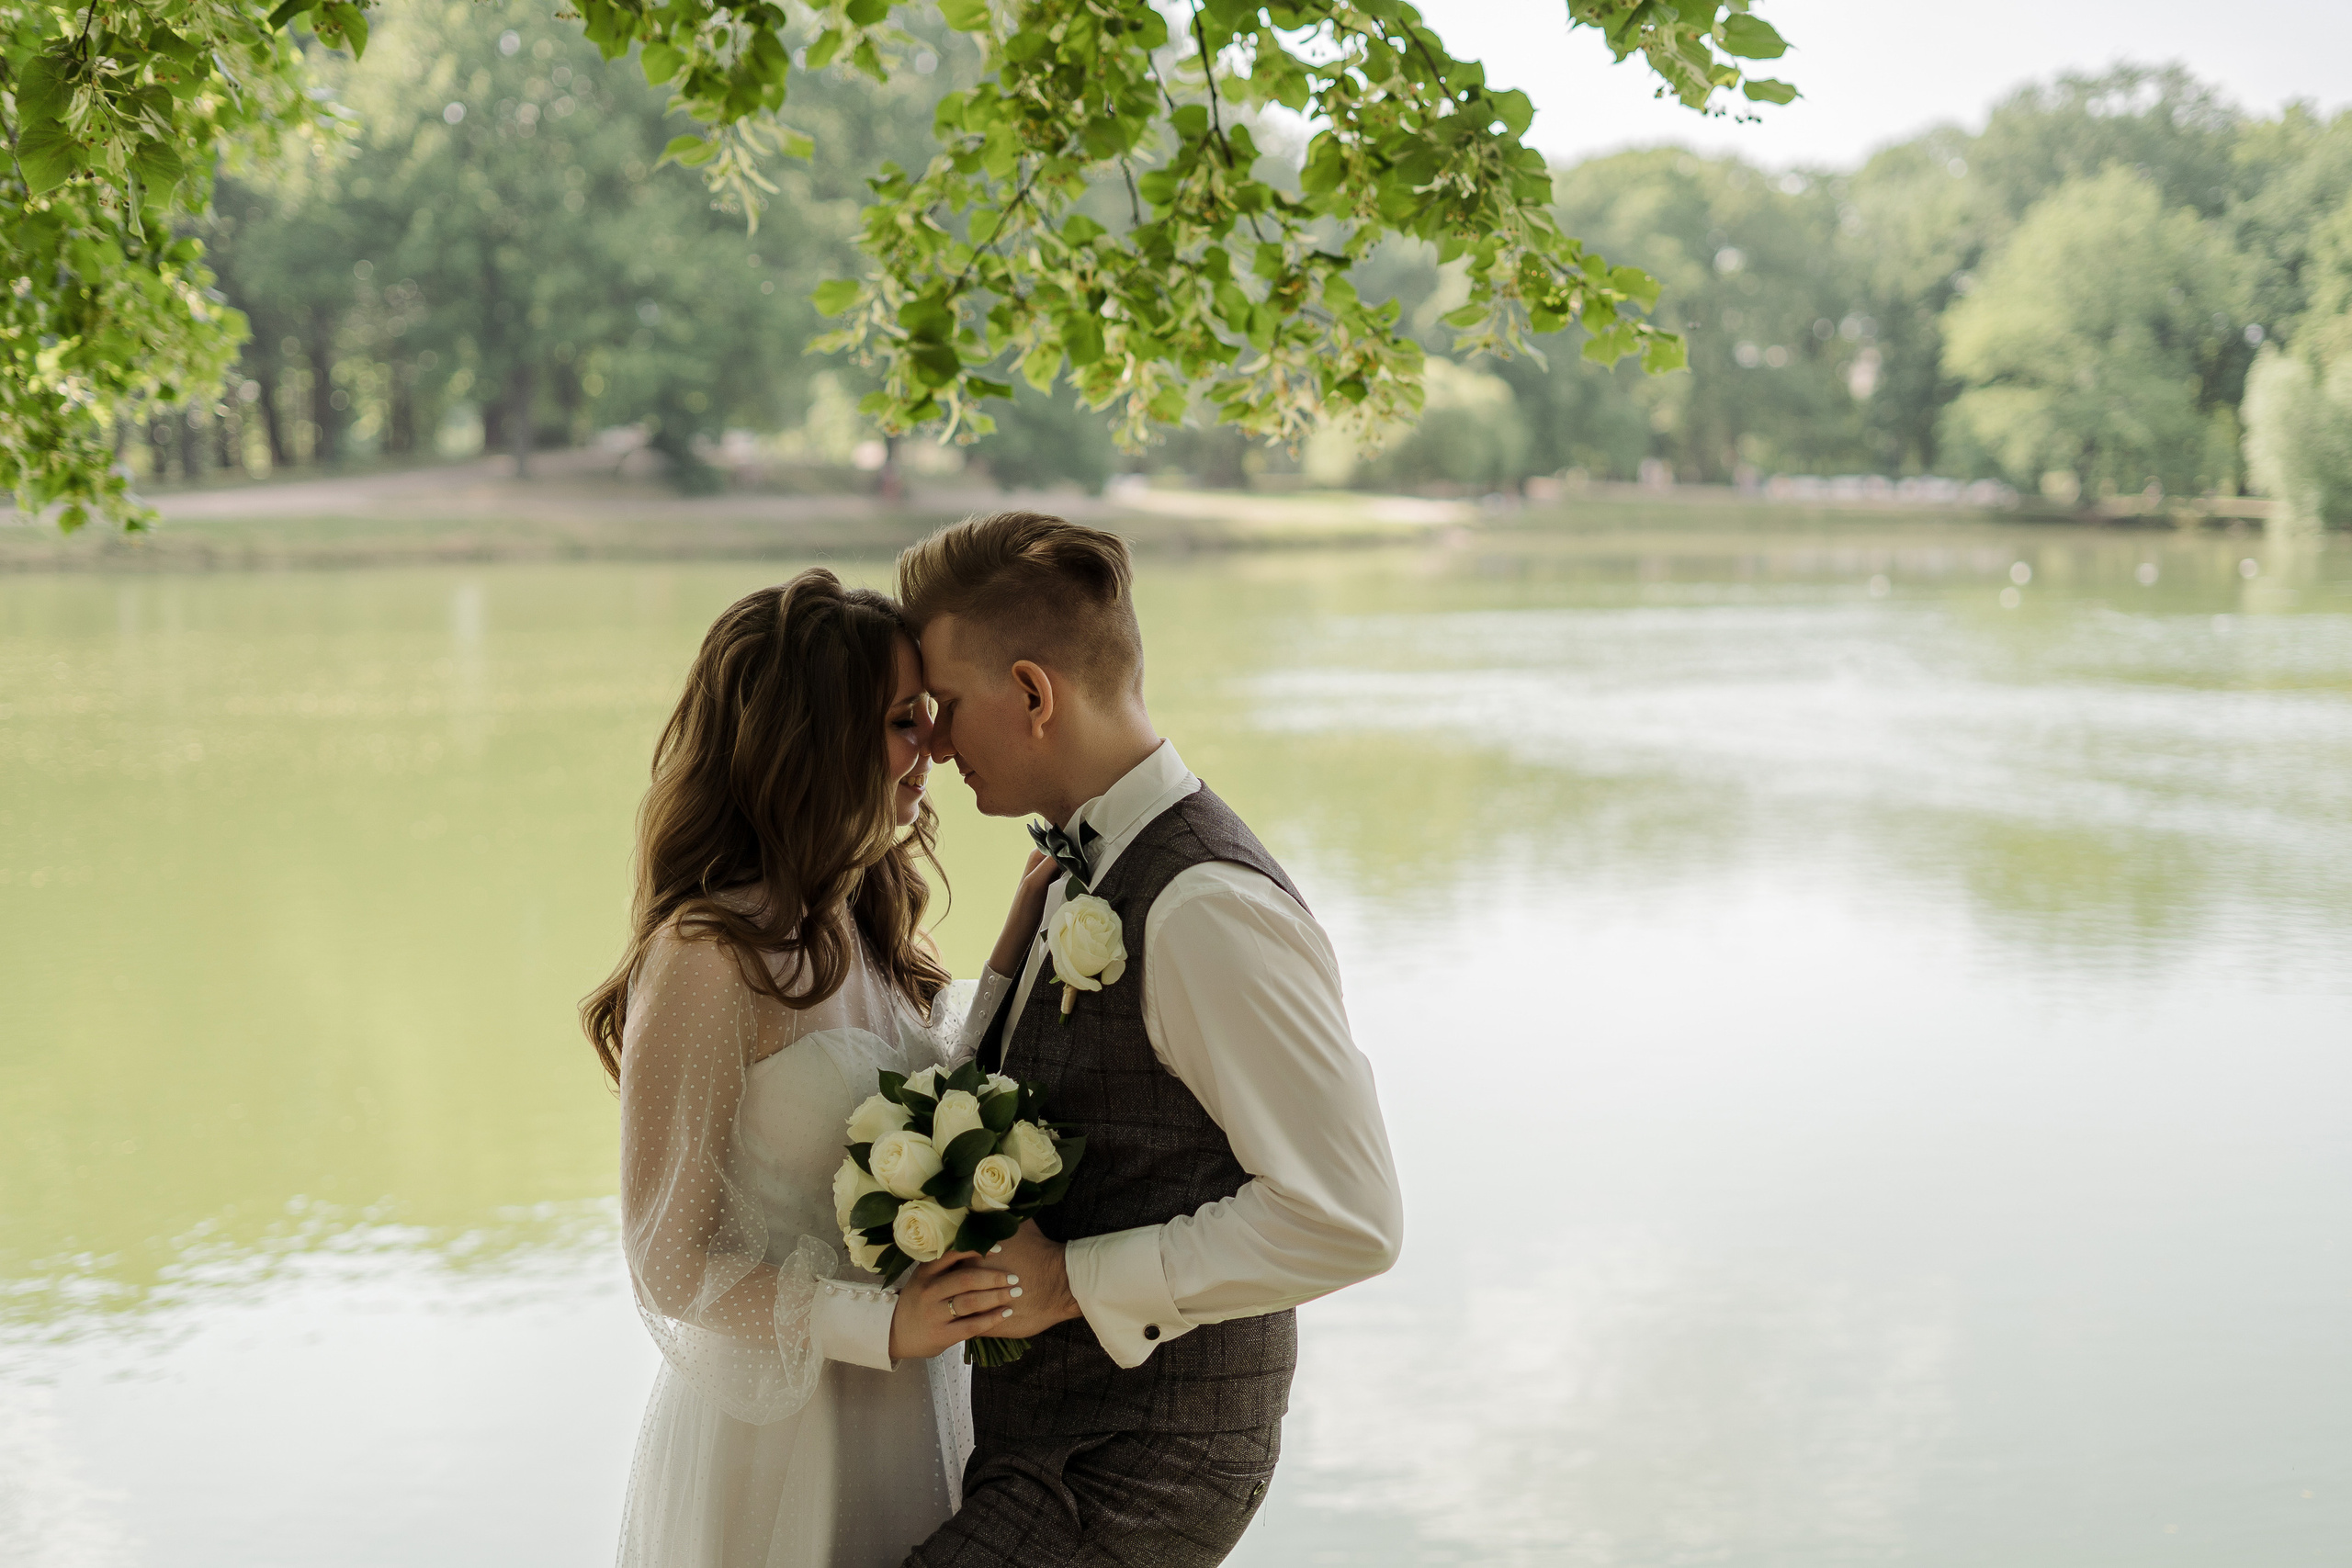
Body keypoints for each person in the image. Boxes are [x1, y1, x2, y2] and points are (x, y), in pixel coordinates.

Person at [899, 513, 1406, 1567]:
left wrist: (1069, 1282)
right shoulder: (1083, 866)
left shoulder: (1204, 907)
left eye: (944, 708)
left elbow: (1350, 1219)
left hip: (1139, 1467)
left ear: (1034, 694)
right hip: (1050, 1446)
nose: (934, 746)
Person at [581, 571, 1027, 1568]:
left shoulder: (861, 918)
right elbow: (671, 1259)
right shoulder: (707, 958)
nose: (934, 750)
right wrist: (881, 1325)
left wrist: (1018, 947)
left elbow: (923, 1099)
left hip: (910, 1405)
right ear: (813, 738)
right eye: (904, 721)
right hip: (780, 1442)